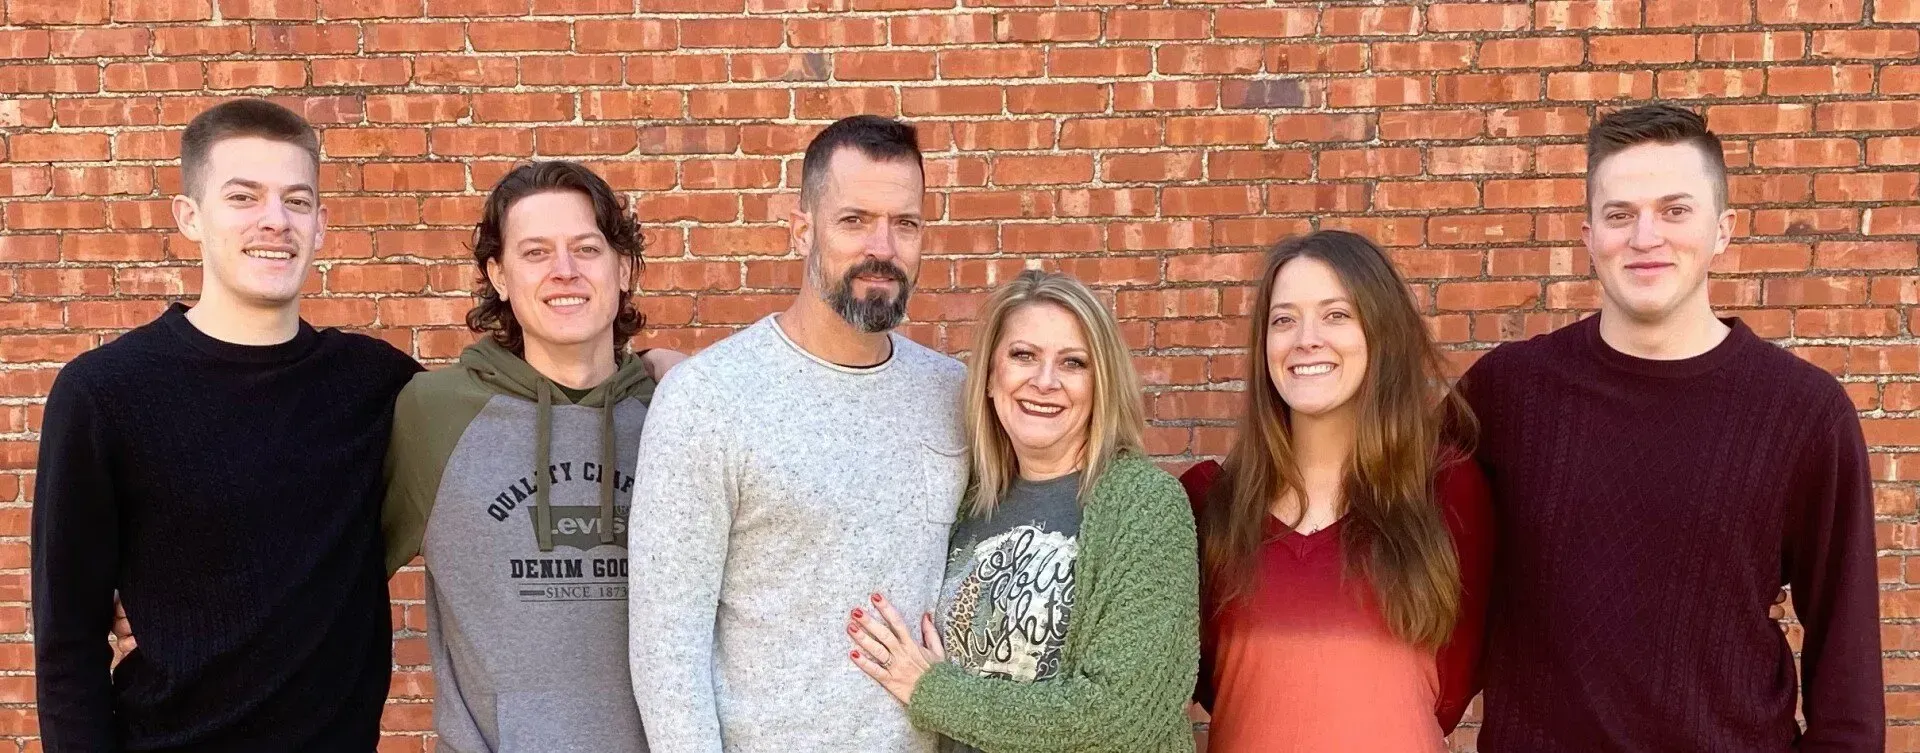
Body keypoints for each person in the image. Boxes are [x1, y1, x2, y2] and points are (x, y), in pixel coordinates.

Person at [1461, 104, 1883, 750]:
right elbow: (1389, 538)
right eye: (1620, 214)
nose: (1645, 236)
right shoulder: (1505, 394)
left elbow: (1848, 685)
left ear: (1723, 231)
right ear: (1587, 236)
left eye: (1675, 210)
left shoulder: (1804, 414)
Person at [31, 98, 422, 751]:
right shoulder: (104, 393)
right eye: (244, 197)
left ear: (321, 224)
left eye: (297, 202)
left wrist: (647, 362)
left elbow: (508, 396)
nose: (275, 220)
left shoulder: (374, 383)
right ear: (190, 216)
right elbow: (66, 645)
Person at [626, 115, 968, 753]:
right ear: (801, 229)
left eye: (906, 223)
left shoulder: (953, 394)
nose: (883, 247)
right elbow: (666, 650)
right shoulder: (708, 399)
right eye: (854, 220)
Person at [381, 160, 684, 751]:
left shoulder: (679, 414)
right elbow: (329, 578)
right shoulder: (434, 413)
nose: (564, 272)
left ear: (623, 267)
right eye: (536, 252)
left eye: (586, 249)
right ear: (499, 275)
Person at [846, 270, 1200, 753]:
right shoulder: (969, 499)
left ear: (1102, 384)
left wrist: (935, 691)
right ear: (992, 377)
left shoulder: (1144, 506)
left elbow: (1120, 715)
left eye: (1073, 363)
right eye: (1023, 355)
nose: (1045, 381)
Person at [1178, 230, 1493, 752]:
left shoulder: (1449, 494)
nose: (1306, 338)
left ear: (1380, 330)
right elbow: (1206, 680)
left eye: (1336, 315)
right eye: (1283, 320)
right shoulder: (1209, 502)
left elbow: (1451, 690)